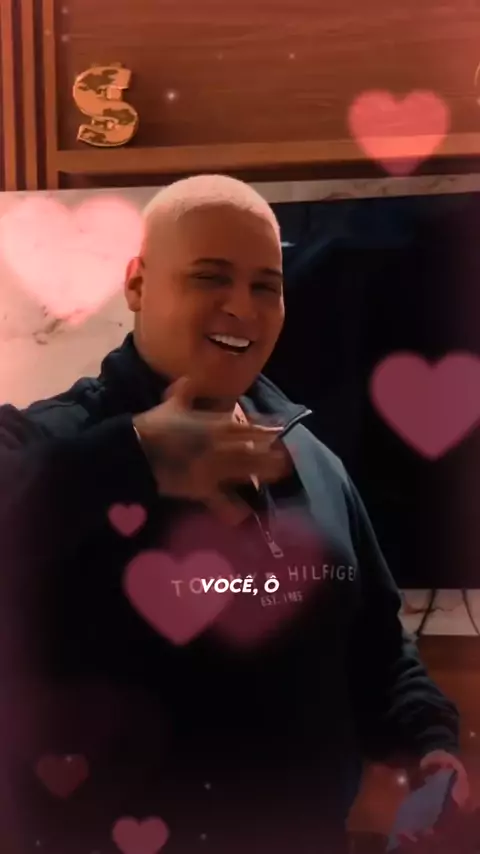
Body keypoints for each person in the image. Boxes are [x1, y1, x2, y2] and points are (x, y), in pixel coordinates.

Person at [0, 174, 468, 854]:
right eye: (210, 277)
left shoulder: (314, 461)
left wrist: (428, 742)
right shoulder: (50, 440)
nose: (243, 308)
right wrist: (133, 454)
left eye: (265, 286)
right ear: (137, 285)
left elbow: (375, 647)